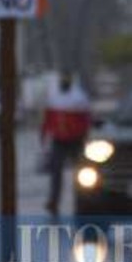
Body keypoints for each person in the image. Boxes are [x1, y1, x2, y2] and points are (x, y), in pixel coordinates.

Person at [39, 72, 91, 218]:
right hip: (59, 140)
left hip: (76, 140)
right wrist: (43, 136)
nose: (64, 83)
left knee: (81, 174)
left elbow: (86, 120)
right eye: (63, 81)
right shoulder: (53, 98)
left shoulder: (79, 98)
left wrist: (85, 137)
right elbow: (48, 119)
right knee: (56, 172)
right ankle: (53, 202)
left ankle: (82, 201)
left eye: (66, 81)